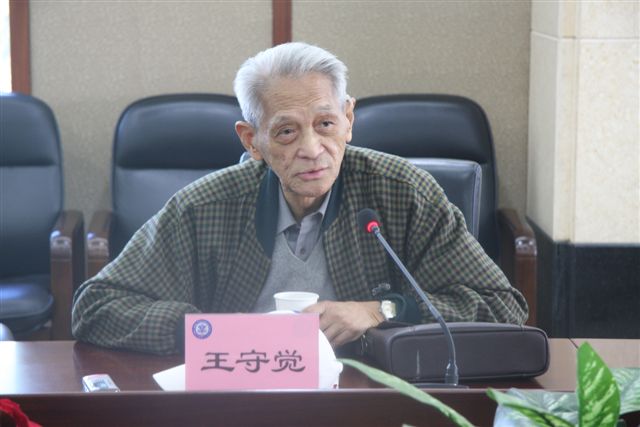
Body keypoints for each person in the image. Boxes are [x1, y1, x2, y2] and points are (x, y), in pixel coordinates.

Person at [72, 42, 527, 355]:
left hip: (369, 394)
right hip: (240, 395)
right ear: (251, 140)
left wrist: (381, 311)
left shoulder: (404, 193)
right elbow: (97, 306)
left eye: (326, 124)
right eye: (287, 132)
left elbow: (503, 307)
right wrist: (209, 331)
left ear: (349, 120)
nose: (312, 149)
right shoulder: (205, 206)